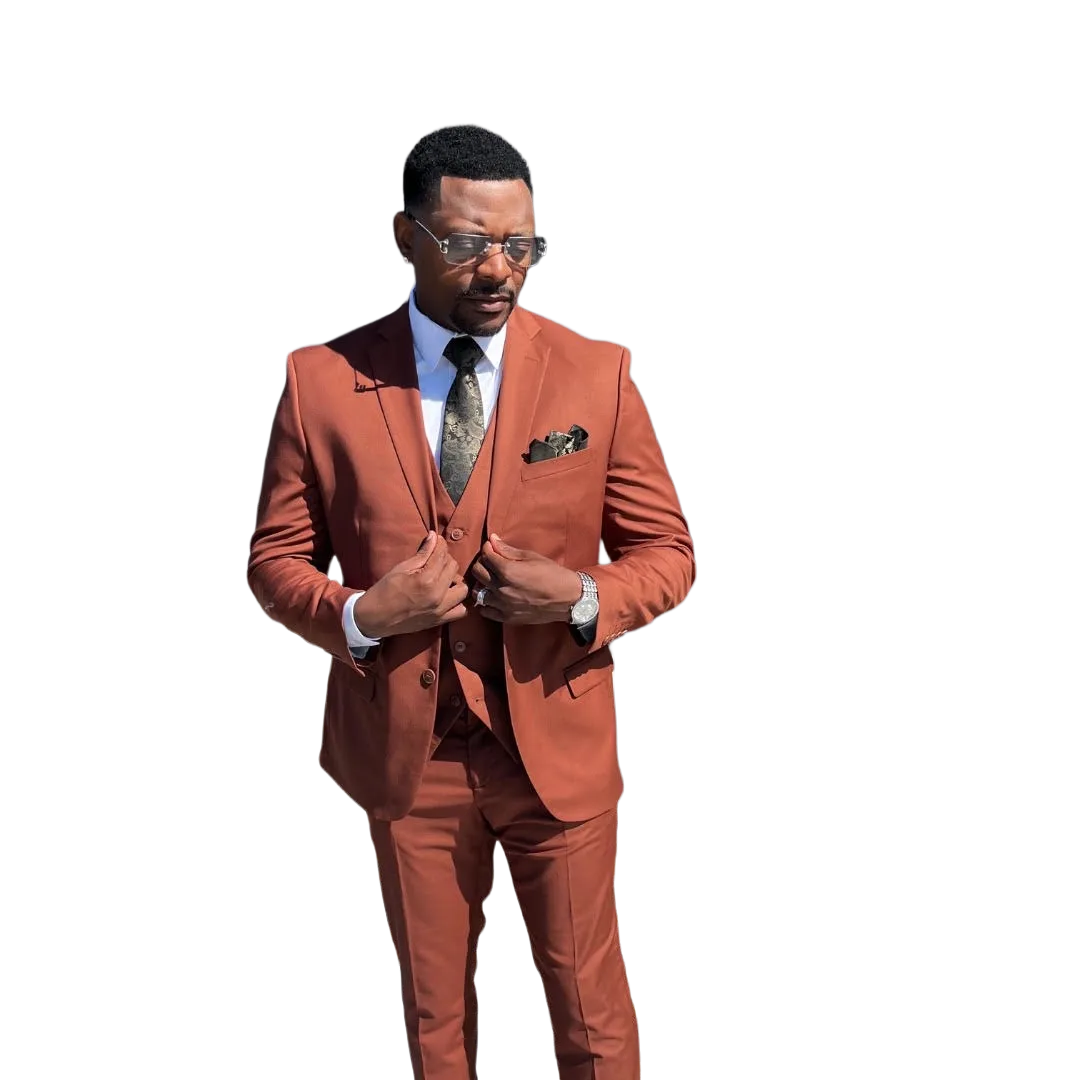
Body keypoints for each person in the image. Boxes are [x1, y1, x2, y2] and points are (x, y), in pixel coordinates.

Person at [247, 122, 696, 1080]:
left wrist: (578, 595)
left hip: (556, 745)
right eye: (467, 243)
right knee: (436, 1025)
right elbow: (274, 562)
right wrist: (363, 616)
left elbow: (668, 553)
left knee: (593, 1019)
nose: (500, 270)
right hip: (408, 757)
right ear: (404, 237)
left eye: (521, 245)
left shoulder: (598, 370)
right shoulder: (318, 378)